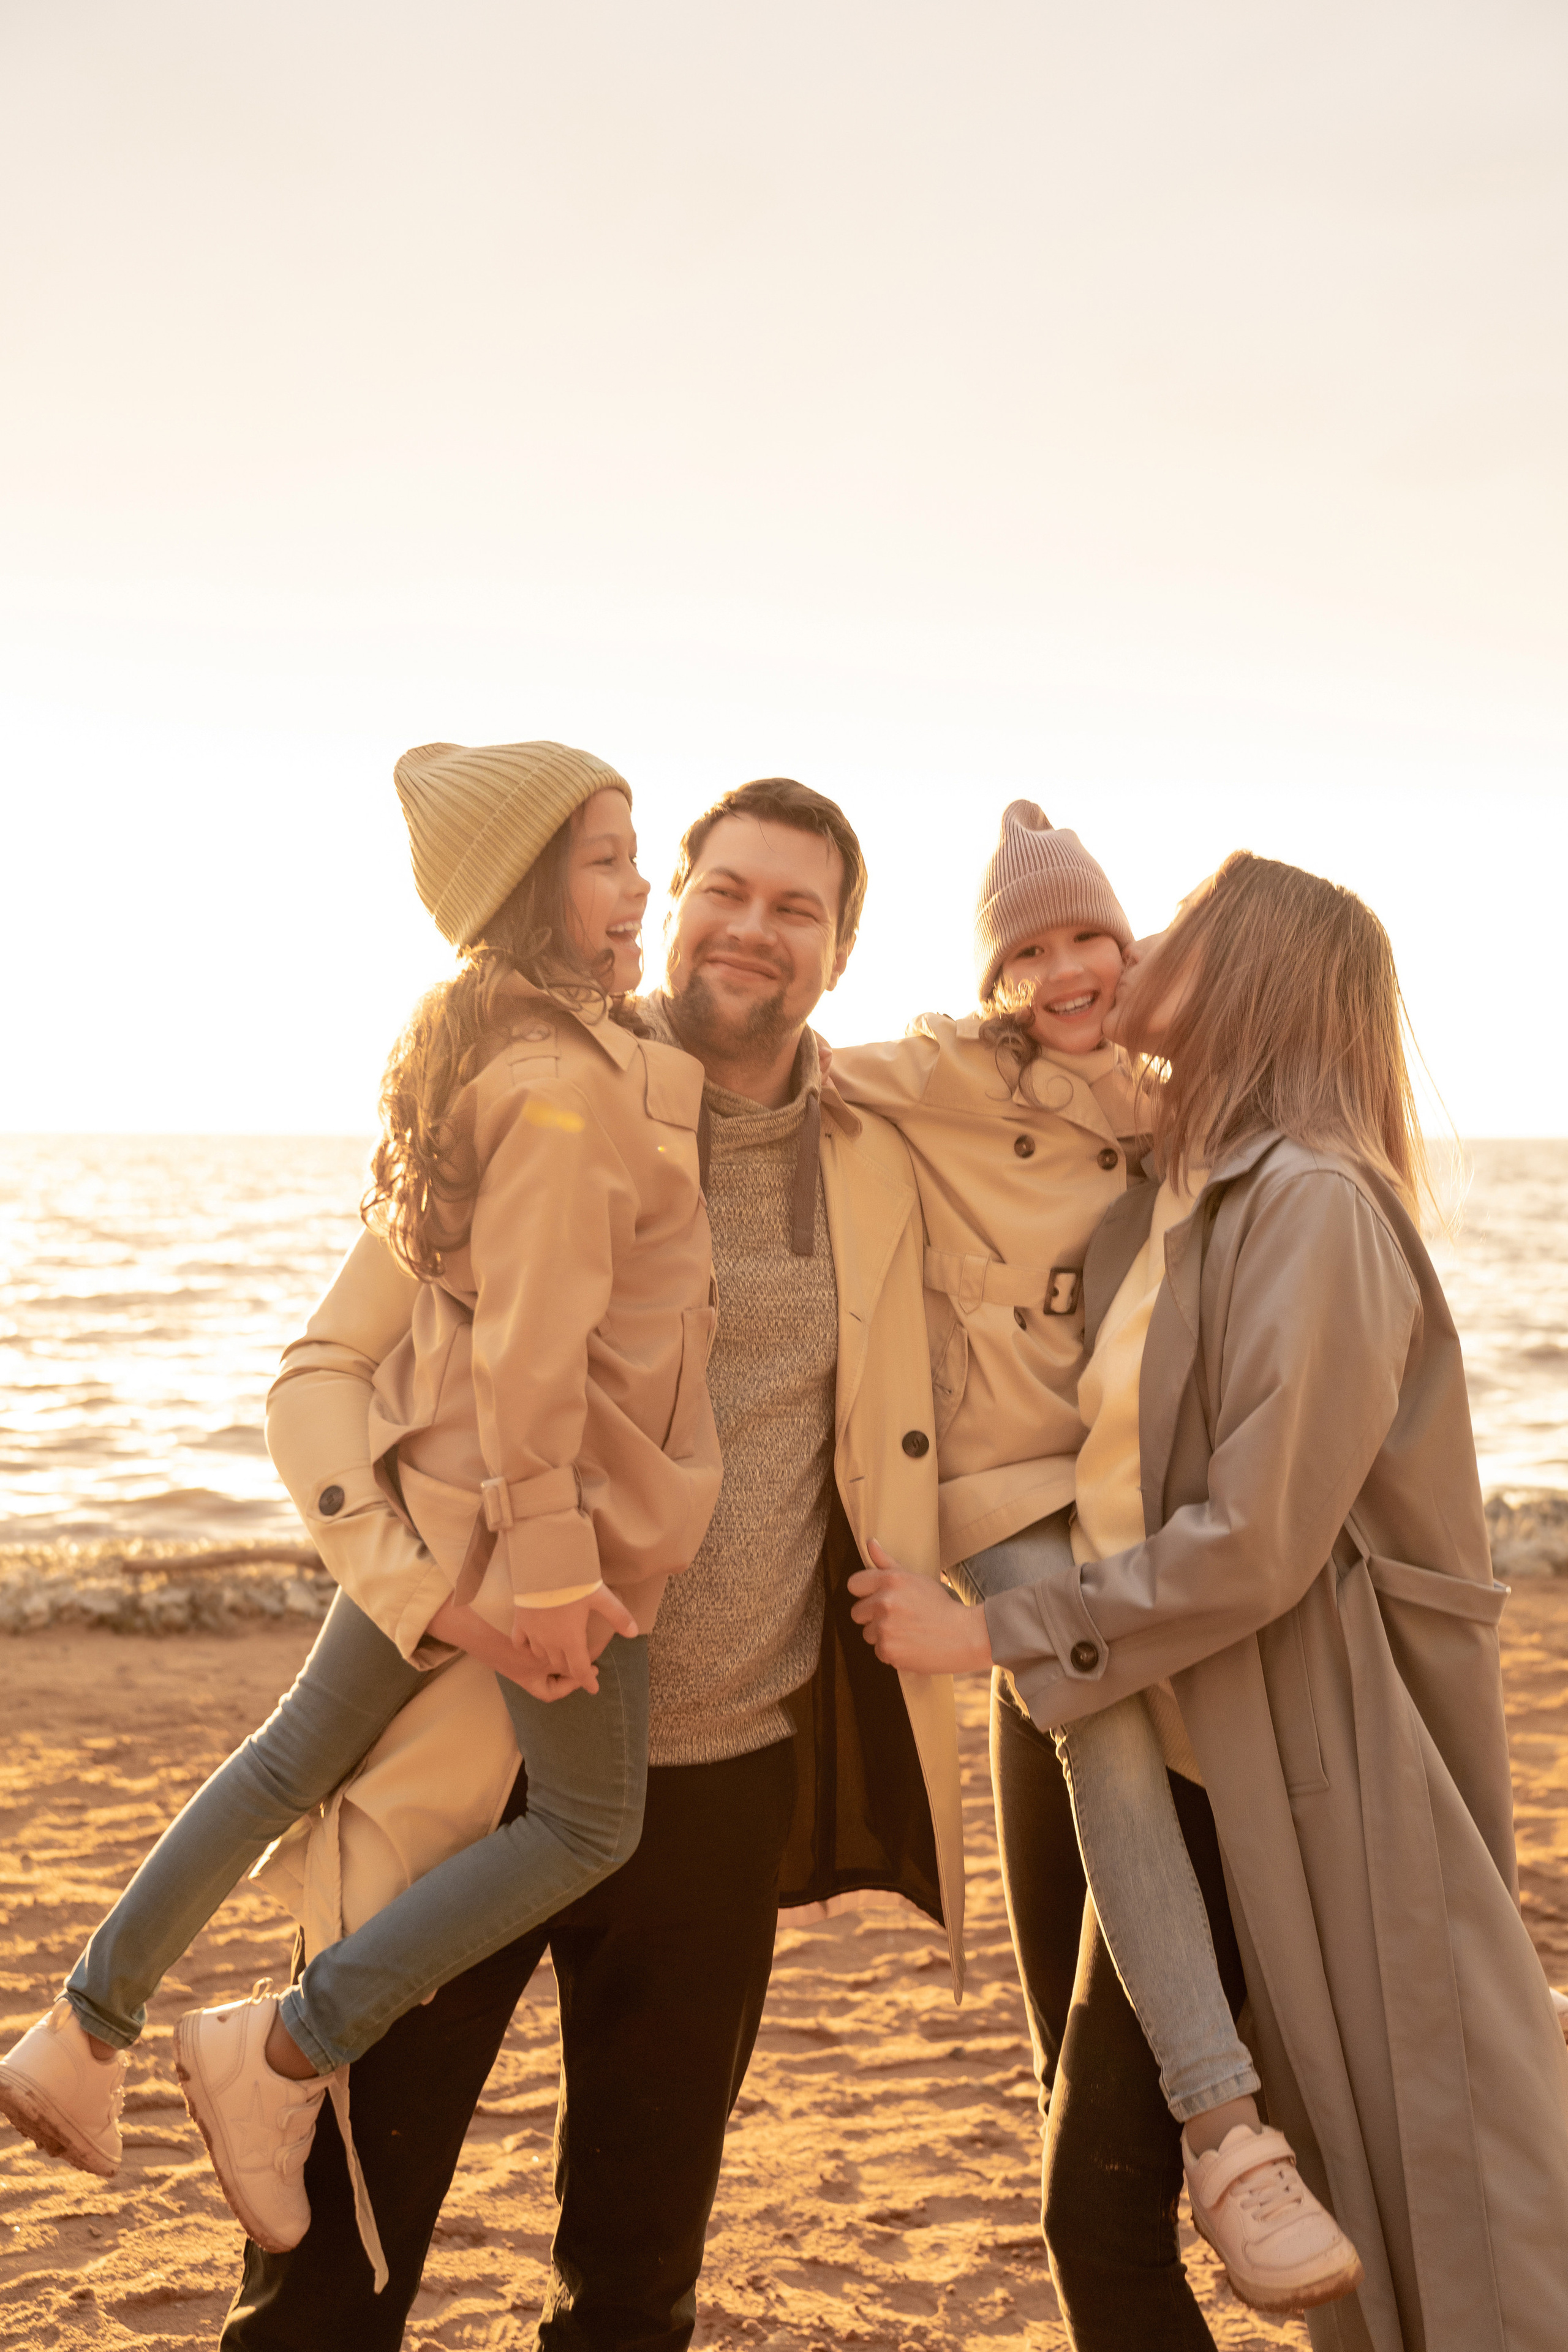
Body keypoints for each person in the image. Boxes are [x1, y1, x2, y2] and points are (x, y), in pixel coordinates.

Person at [216, 775, 965, 2349]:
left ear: (840, 950)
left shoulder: (876, 1156)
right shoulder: (546, 1090)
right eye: (724, 890)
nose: (752, 930)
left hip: (718, 1785)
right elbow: (318, 1379)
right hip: (475, 1765)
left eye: (797, 908)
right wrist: (427, 1596)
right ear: (669, 903)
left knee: (634, 2289)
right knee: (330, 2276)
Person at [0, 741, 724, 2286]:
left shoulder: (498, 1048)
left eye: (635, 854)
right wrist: (550, 1572)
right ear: (529, 890)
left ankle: (83, 2025)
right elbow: (533, 1349)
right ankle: (283, 2044)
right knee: (590, 1826)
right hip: (538, 1530)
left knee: (287, 1759)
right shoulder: (559, 1090)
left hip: (435, 1497)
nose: (638, 890)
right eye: (606, 860)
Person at [850, 851, 1568, 2351]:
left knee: (1104, 2210)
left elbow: (1253, 1543)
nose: (1133, 942)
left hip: (1230, 1755)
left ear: (1245, 968)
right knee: (1081, 2131)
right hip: (1108, 1706)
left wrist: (989, 1630)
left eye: (1169, 920)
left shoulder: (1314, 1205)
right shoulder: (1174, 1184)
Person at [831, 805, 1361, 2316]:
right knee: (1103, 1737)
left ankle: (1186, 2134)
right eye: (1027, 952)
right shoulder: (951, 1070)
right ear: (992, 978)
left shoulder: (1170, 1103)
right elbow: (795, 1073)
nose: (1065, 970)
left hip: (1110, 1492)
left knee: (1096, 1803)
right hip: (998, 1492)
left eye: (1092, 939)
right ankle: (1218, 2125)